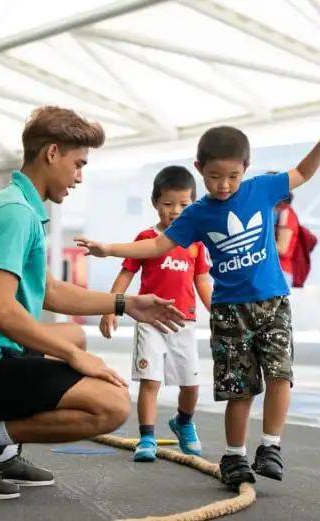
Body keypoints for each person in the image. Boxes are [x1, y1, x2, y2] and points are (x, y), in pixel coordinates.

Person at [0, 106, 185, 500]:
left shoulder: (20, 206)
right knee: (112, 406)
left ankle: (4, 451)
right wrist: (74, 358)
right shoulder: (14, 213)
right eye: (78, 164)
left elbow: (50, 291)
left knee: (73, 336)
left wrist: (125, 303)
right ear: (51, 153)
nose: (79, 177)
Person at [77, 116, 320, 490]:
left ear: (246, 168)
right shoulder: (197, 213)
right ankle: (235, 455)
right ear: (199, 169)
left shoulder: (262, 189)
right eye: (214, 177)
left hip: (273, 303)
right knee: (239, 388)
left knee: (280, 374)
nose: (224, 185)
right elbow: (157, 245)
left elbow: (302, 172)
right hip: (230, 311)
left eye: (233, 176)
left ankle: (270, 446)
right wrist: (109, 248)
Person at [99, 165, 212, 462]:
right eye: (168, 203)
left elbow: (202, 280)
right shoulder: (146, 238)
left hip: (183, 323)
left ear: (194, 204)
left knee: (191, 384)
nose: (175, 211)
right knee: (151, 381)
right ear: (155, 203)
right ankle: (147, 437)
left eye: (184, 205)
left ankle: (183, 422)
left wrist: (217, 311)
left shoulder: (196, 242)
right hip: (149, 321)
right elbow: (126, 273)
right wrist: (111, 307)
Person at [275, 193, 299, 287]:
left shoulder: (286, 214)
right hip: (279, 271)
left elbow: (282, 248)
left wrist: (261, 240)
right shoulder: (284, 213)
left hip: (281, 271)